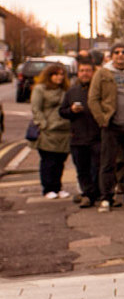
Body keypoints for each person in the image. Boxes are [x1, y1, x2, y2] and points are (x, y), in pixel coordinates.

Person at [88, 41, 124, 211]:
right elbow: (93, 98)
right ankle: (106, 198)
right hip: (111, 125)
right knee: (108, 163)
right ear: (111, 56)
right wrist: (102, 119)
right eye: (116, 52)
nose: (120, 55)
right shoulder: (103, 73)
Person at [60, 52, 102, 208]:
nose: (85, 74)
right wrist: (71, 110)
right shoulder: (72, 91)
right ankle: (88, 194)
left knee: (96, 168)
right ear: (78, 73)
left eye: (88, 71)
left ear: (93, 73)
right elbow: (62, 111)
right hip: (78, 138)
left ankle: (91, 194)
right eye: (82, 71)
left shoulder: (98, 90)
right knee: (82, 169)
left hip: (97, 136)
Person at [30, 63, 71, 199]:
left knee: (60, 161)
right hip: (48, 131)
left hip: (64, 130)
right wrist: (43, 124)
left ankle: (58, 188)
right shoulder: (40, 89)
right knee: (48, 161)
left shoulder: (65, 90)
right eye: (56, 74)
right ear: (49, 75)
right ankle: (48, 189)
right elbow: (36, 109)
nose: (59, 77)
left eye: (61, 74)